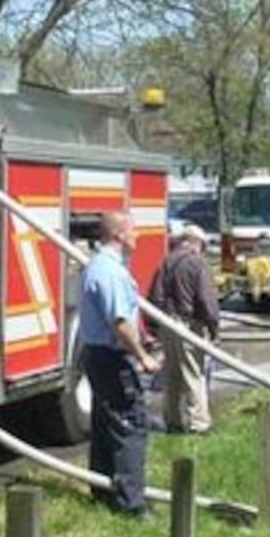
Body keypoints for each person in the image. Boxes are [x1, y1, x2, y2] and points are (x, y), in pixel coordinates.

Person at [78, 209, 160, 515]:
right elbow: (120, 322)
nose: (137, 236)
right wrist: (143, 356)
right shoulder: (110, 271)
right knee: (130, 424)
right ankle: (131, 504)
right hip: (112, 357)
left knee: (105, 424)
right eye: (133, 230)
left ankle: (102, 491)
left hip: (99, 355)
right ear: (119, 235)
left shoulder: (101, 266)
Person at [148, 222, 220, 434]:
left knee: (172, 374)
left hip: (167, 323)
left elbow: (155, 296)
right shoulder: (197, 264)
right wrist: (214, 328)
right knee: (193, 373)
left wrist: (155, 328)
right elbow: (207, 301)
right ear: (196, 243)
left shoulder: (166, 262)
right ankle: (199, 423)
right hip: (188, 324)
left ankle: (172, 421)